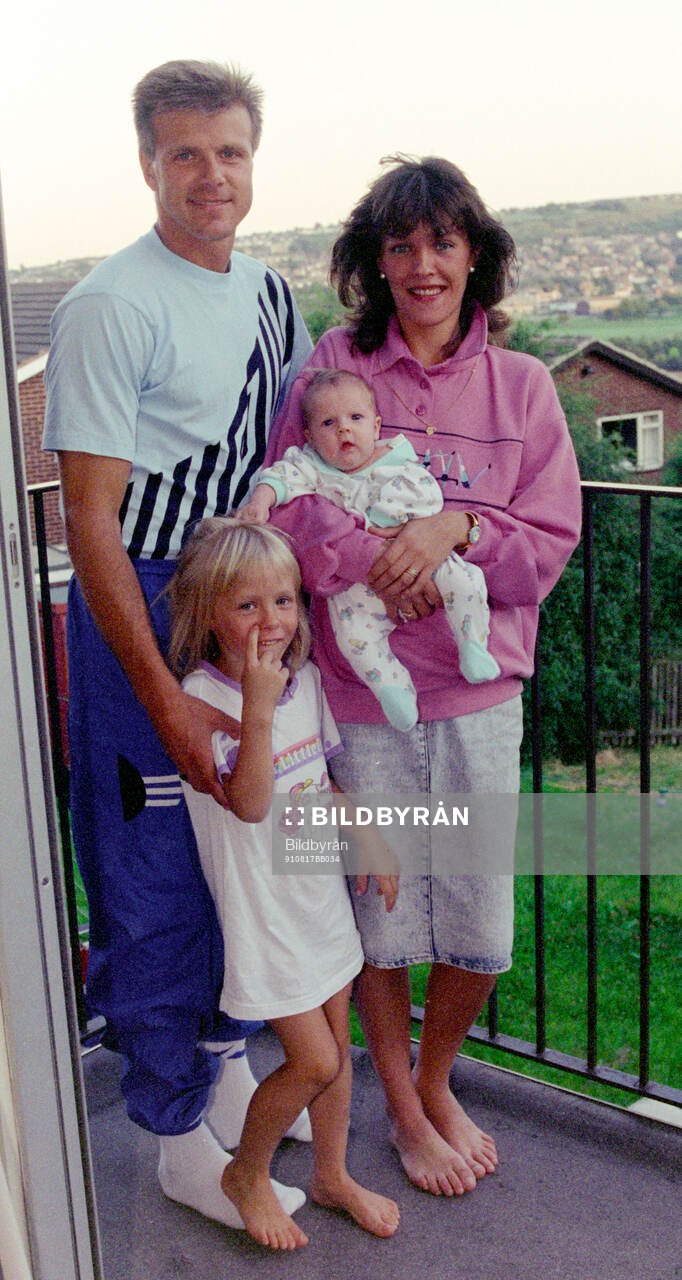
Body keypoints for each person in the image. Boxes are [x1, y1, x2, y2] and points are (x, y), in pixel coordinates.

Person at [264, 155, 582, 1198]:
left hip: (481, 698)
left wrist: (456, 529)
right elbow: (288, 516)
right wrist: (377, 560)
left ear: (475, 254)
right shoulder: (331, 365)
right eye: (399, 245)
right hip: (365, 698)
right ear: (375, 261)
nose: (421, 264)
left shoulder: (524, 385)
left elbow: (546, 543)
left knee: (478, 922)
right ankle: (402, 1107)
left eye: (441, 241)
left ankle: (438, 1075)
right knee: (382, 914)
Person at [42, 60, 313, 1225]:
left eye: (230, 152)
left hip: (235, 597)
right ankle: (170, 1122)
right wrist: (157, 691)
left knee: (247, 847)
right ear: (147, 162)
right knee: (152, 865)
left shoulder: (268, 292)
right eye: (186, 153)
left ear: (255, 160)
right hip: (140, 607)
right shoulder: (109, 303)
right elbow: (85, 519)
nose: (212, 175)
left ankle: (236, 1057)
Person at [167, 518, 400, 1249]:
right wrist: (257, 709)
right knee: (314, 1060)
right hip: (262, 914)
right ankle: (248, 1174)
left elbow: (317, 784)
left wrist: (365, 830)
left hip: (314, 895)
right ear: (208, 612)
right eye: (246, 605)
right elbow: (251, 801)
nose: (270, 620)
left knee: (340, 1046)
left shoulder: (305, 685)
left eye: (284, 601)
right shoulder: (196, 699)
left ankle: (330, 1174)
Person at [238, 368, 499, 731]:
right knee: (355, 636)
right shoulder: (312, 467)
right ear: (311, 437)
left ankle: (472, 641)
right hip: (355, 585)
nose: (344, 429)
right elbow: (280, 479)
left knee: (465, 580)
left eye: (355, 418)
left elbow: (427, 497)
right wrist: (260, 501)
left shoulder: (394, 459)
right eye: (329, 423)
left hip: (419, 559)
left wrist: (387, 521)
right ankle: (392, 686)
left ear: (376, 427)